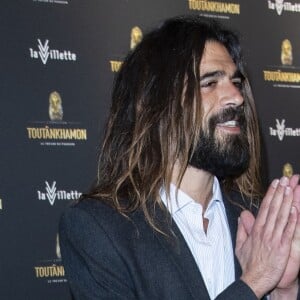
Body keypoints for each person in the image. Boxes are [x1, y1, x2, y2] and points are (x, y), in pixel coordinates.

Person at [59, 15, 300, 299]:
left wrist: (283, 291)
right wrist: (255, 281)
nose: (236, 97)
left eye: (235, 82)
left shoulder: (258, 223)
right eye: (210, 83)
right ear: (154, 104)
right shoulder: (100, 230)